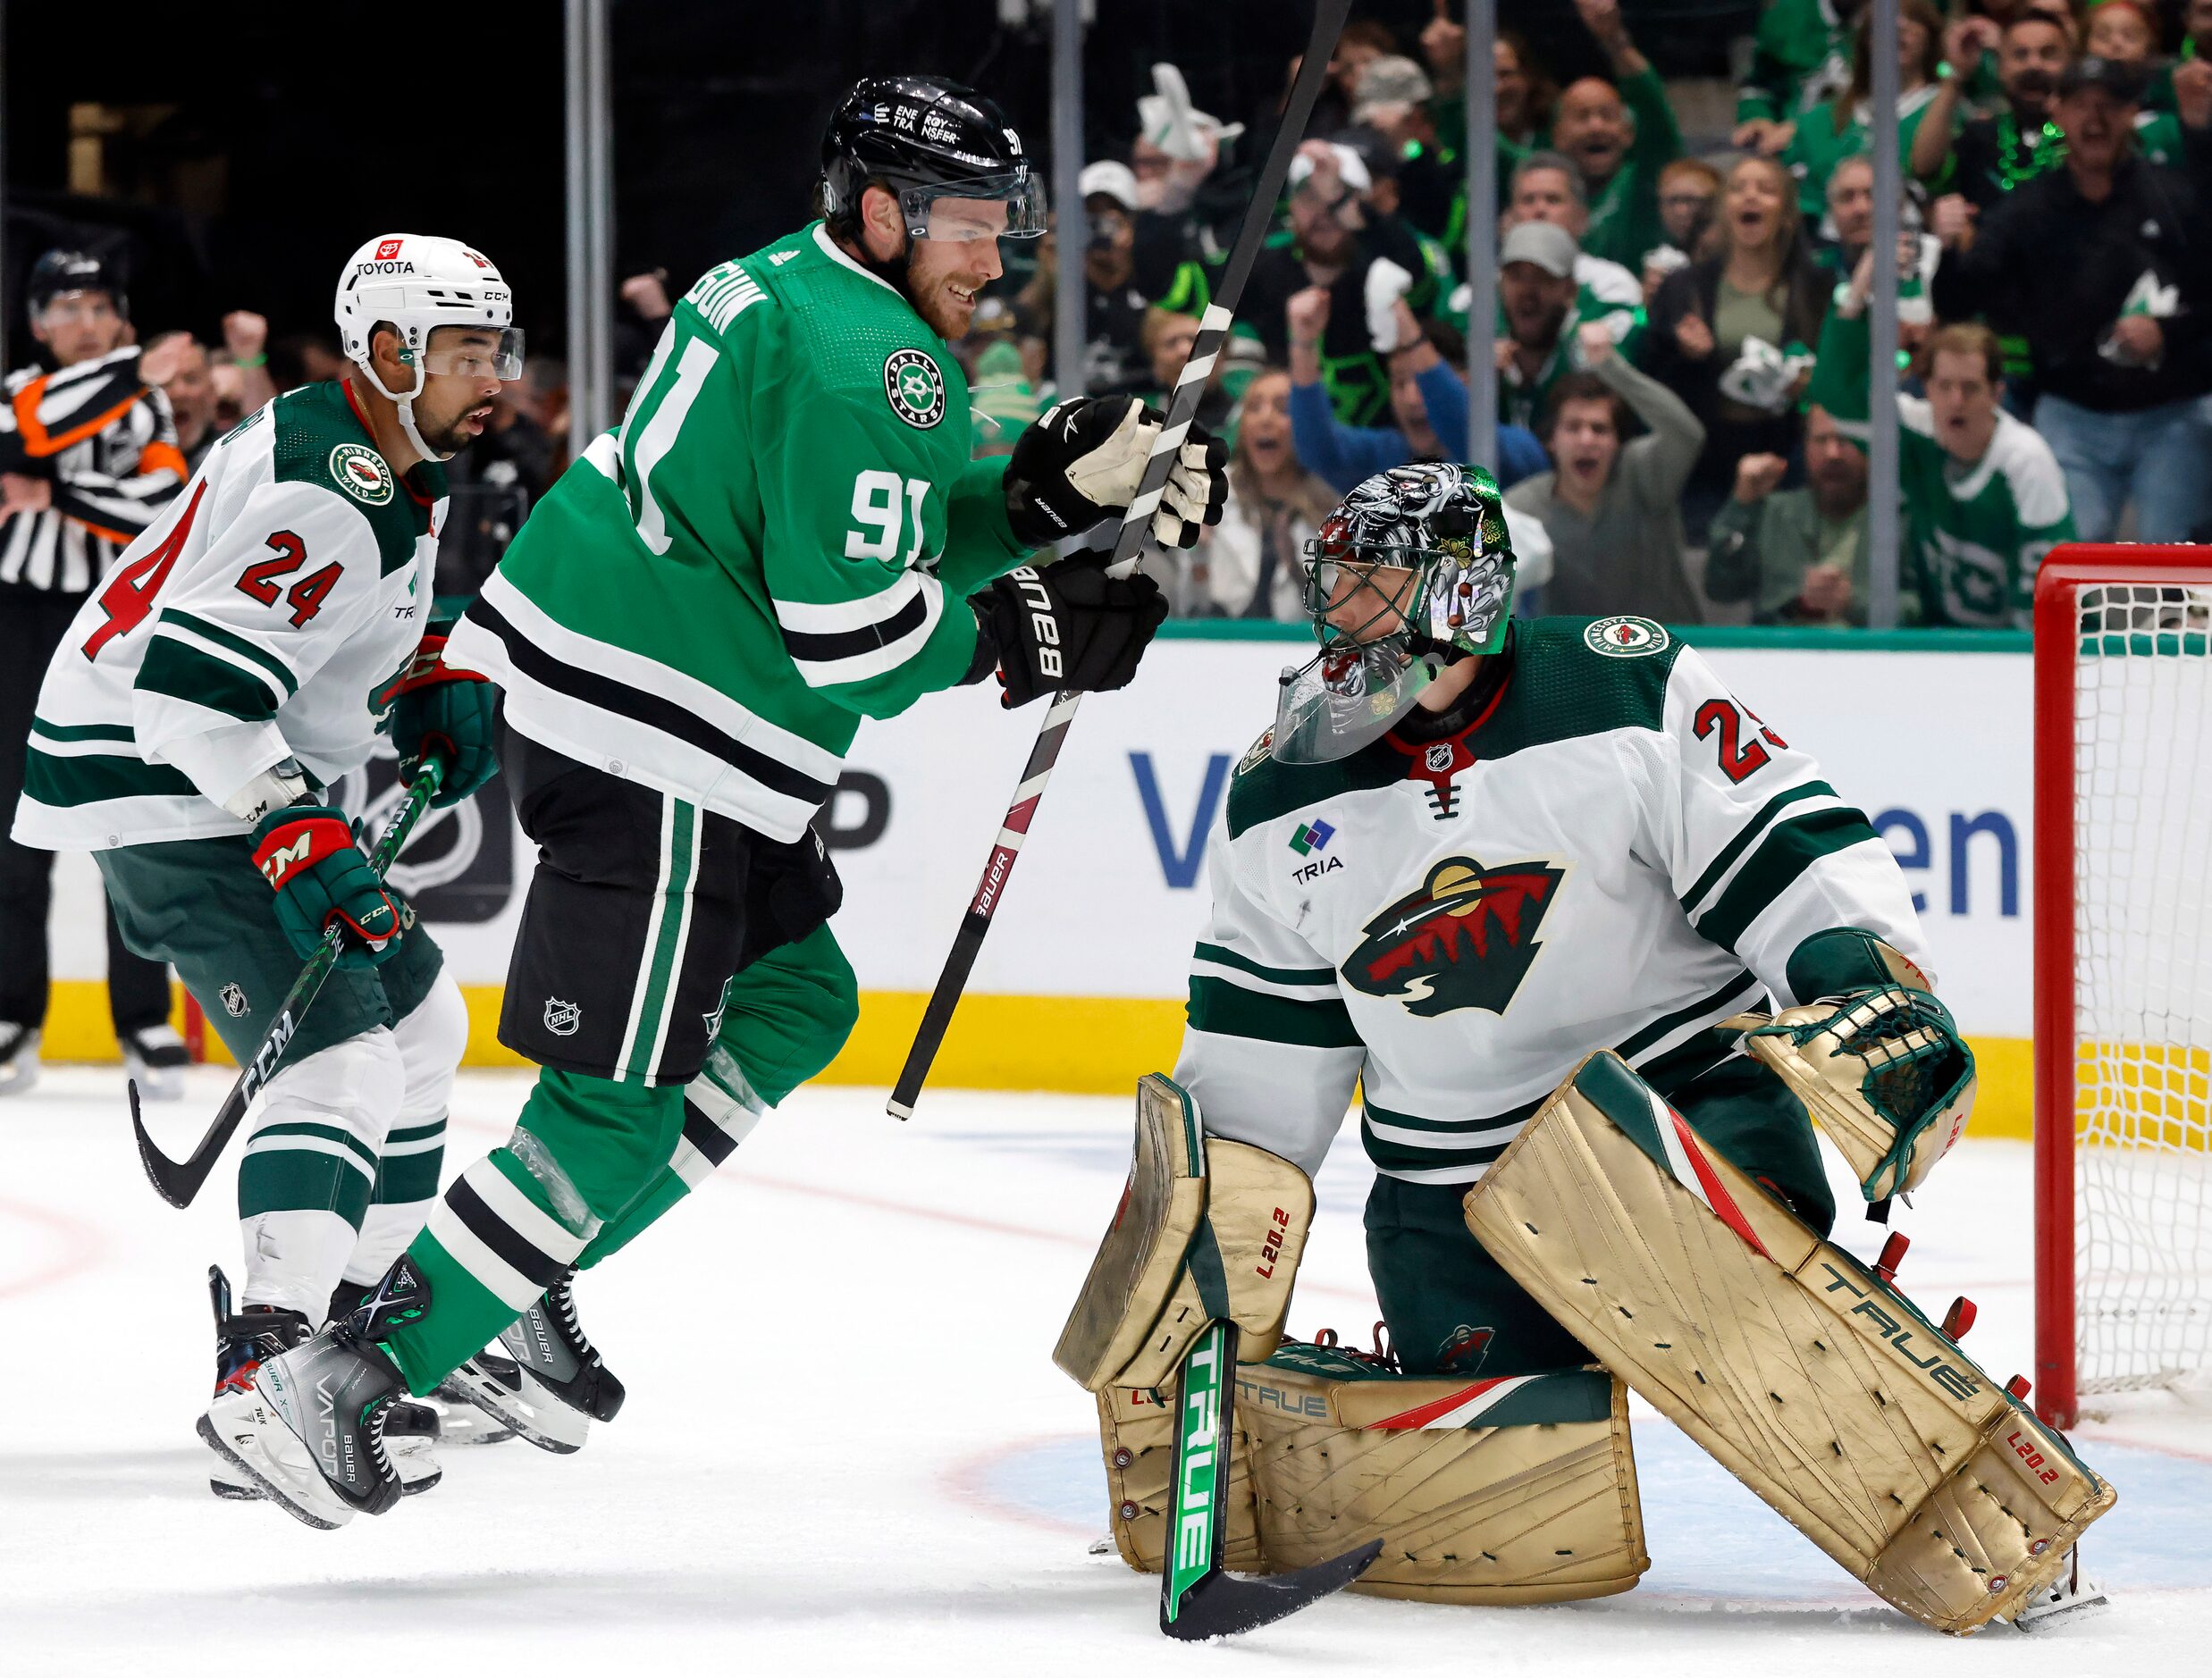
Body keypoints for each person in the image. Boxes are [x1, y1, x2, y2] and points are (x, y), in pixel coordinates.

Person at [201, 74, 1225, 1530]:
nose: (995, 261)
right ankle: (346, 1375)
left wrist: (1045, 501)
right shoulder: (871, 356)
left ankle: (506, 1276)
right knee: (610, 1116)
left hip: (661, 711)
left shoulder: (803, 296)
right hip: (657, 738)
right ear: (884, 209)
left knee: (800, 999)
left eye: (1008, 228)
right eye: (971, 229)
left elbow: (874, 520)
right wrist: (1034, 631)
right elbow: (857, 636)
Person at [1171, 456, 1998, 1619]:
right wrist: (1201, 1265)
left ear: (1462, 594)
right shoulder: (1278, 795)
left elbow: (1784, 847)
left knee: (1764, 1326)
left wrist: (1859, 976)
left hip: (1674, 1114)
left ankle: (1945, 1488)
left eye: (1376, 585)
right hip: (1448, 1193)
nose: (1341, 616)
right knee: (1491, 1514)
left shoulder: (1622, 685)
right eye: (1337, 583)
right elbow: (1261, 1071)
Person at [9, 233, 528, 1502]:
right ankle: (269, 1374)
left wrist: (423, 672)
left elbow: (320, 623)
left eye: (494, 350)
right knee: (339, 1055)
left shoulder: (386, 449)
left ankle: (375, 1334)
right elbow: (192, 700)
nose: (492, 377)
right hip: (153, 771)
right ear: (388, 353)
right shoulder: (330, 484)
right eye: (464, 352)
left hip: (194, 760)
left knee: (421, 1018)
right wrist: (298, 832)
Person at [0, 249, 188, 1099]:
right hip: (20, 621)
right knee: (10, 825)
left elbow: (161, 514)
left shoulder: (146, 406)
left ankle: (142, 1018)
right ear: (38, 322)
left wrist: (56, 495)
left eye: (99, 305)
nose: (83, 321)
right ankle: (12, 1013)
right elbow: (28, 434)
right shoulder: (13, 395)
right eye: (66, 307)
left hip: (116, 633)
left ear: (116, 318)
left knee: (129, 817)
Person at [1930, 54, 2212, 541]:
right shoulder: (2028, 209)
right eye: (2081, 105)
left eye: (2109, 105)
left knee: (2173, 567)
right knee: (2067, 563)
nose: (2095, 119)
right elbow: (1956, 301)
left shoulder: (2173, 197)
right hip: (2072, 416)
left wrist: (2167, 332)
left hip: (2171, 416)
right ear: (2058, 113)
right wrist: (1952, 247)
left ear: (2131, 114)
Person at [1811, 271, 2074, 626]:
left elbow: (2045, 601)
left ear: (1997, 393)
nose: (1955, 401)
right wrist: (1858, 288)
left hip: (2013, 654)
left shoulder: (2026, 461)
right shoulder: (1915, 432)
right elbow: (1834, 393)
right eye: (1944, 386)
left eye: (1970, 387)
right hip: (1940, 646)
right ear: (1927, 388)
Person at [1643, 153, 1829, 542]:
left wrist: (1810, 386)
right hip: (1703, 464)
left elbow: (1838, 375)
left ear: (1788, 215)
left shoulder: (1817, 289)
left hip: (1786, 460)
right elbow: (1653, 376)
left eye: (1766, 190)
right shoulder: (1684, 287)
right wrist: (1687, 356)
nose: (1750, 198)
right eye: (1739, 189)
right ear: (1723, 211)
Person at [1505, 322, 1705, 622]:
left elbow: (1686, 433)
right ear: (1551, 441)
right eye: (1573, 428)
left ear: (1618, 443)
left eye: (1600, 429)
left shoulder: (1643, 474)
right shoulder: (1523, 508)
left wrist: (1610, 366)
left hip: (1670, 654)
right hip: (1571, 659)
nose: (1586, 440)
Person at [1245, 140, 1441, 426]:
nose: (1324, 211)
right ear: (1292, 207)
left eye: (1337, 197)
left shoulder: (1387, 260)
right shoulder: (1267, 269)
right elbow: (1191, 299)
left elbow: (1419, 281)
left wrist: (1353, 212)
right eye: (1309, 197)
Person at [1289, 284, 1545, 493]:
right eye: (1399, 383)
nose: (1411, 399)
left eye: (1423, 384)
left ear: (1465, 383)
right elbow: (1319, 450)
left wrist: (1409, 332)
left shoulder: (1514, 447)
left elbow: (1462, 432)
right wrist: (1303, 343)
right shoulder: (1384, 454)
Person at [1175, 366, 1337, 620]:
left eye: (1282, 409)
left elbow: (1338, 619)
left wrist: (1296, 570)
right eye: (1254, 408)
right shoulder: (1211, 492)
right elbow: (1189, 609)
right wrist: (1199, 555)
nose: (1265, 420)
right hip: (1225, 643)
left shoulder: (1333, 505)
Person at [1704, 404, 1874, 625]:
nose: (1833, 454)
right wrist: (1742, 504)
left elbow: (1926, 606)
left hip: (1879, 656)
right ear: (1804, 447)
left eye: (1846, 440)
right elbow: (1721, 587)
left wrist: (1852, 603)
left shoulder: (1902, 519)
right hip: (1779, 654)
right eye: (1821, 440)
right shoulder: (1773, 513)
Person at [1779, 0, 1948, 221]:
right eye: (1882, 21)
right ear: (1866, 39)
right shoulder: (1817, 120)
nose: (1898, 25)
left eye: (1913, 19)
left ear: (1930, 37)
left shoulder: (1949, 114)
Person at [1551, 0, 1683, 272]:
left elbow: (1655, 115)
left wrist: (1615, 41)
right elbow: (1485, 152)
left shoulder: (1643, 183)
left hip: (1637, 313)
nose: (1596, 127)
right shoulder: (1540, 188)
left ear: (1628, 133)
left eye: (1607, 115)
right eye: (1582, 116)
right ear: (1558, 135)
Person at [1915, 10, 2076, 214]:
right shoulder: (1979, 137)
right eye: (2020, 54)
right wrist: (1955, 75)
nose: (2034, 65)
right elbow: (1924, 167)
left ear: (2071, 64)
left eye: (2048, 54)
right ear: (2000, 67)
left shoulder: (2087, 139)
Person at [1500, 152, 1644, 351]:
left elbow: (1637, 326)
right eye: (1528, 200)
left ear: (1582, 217)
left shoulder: (1613, 285)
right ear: (1510, 215)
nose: (1539, 209)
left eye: (1553, 200)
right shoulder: (1477, 294)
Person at [1737, 0, 1865, 153]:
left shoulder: (1894, 20)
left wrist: (1805, 127)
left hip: (1862, 149)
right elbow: (1759, 86)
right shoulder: (1788, 15)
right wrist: (1758, 116)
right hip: (1790, 150)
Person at [1643, 156, 1721, 303]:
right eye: (1672, 201)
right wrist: (1647, 302)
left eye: (1691, 200)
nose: (1680, 211)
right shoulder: (1665, 260)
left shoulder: (1734, 260)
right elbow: (1640, 321)